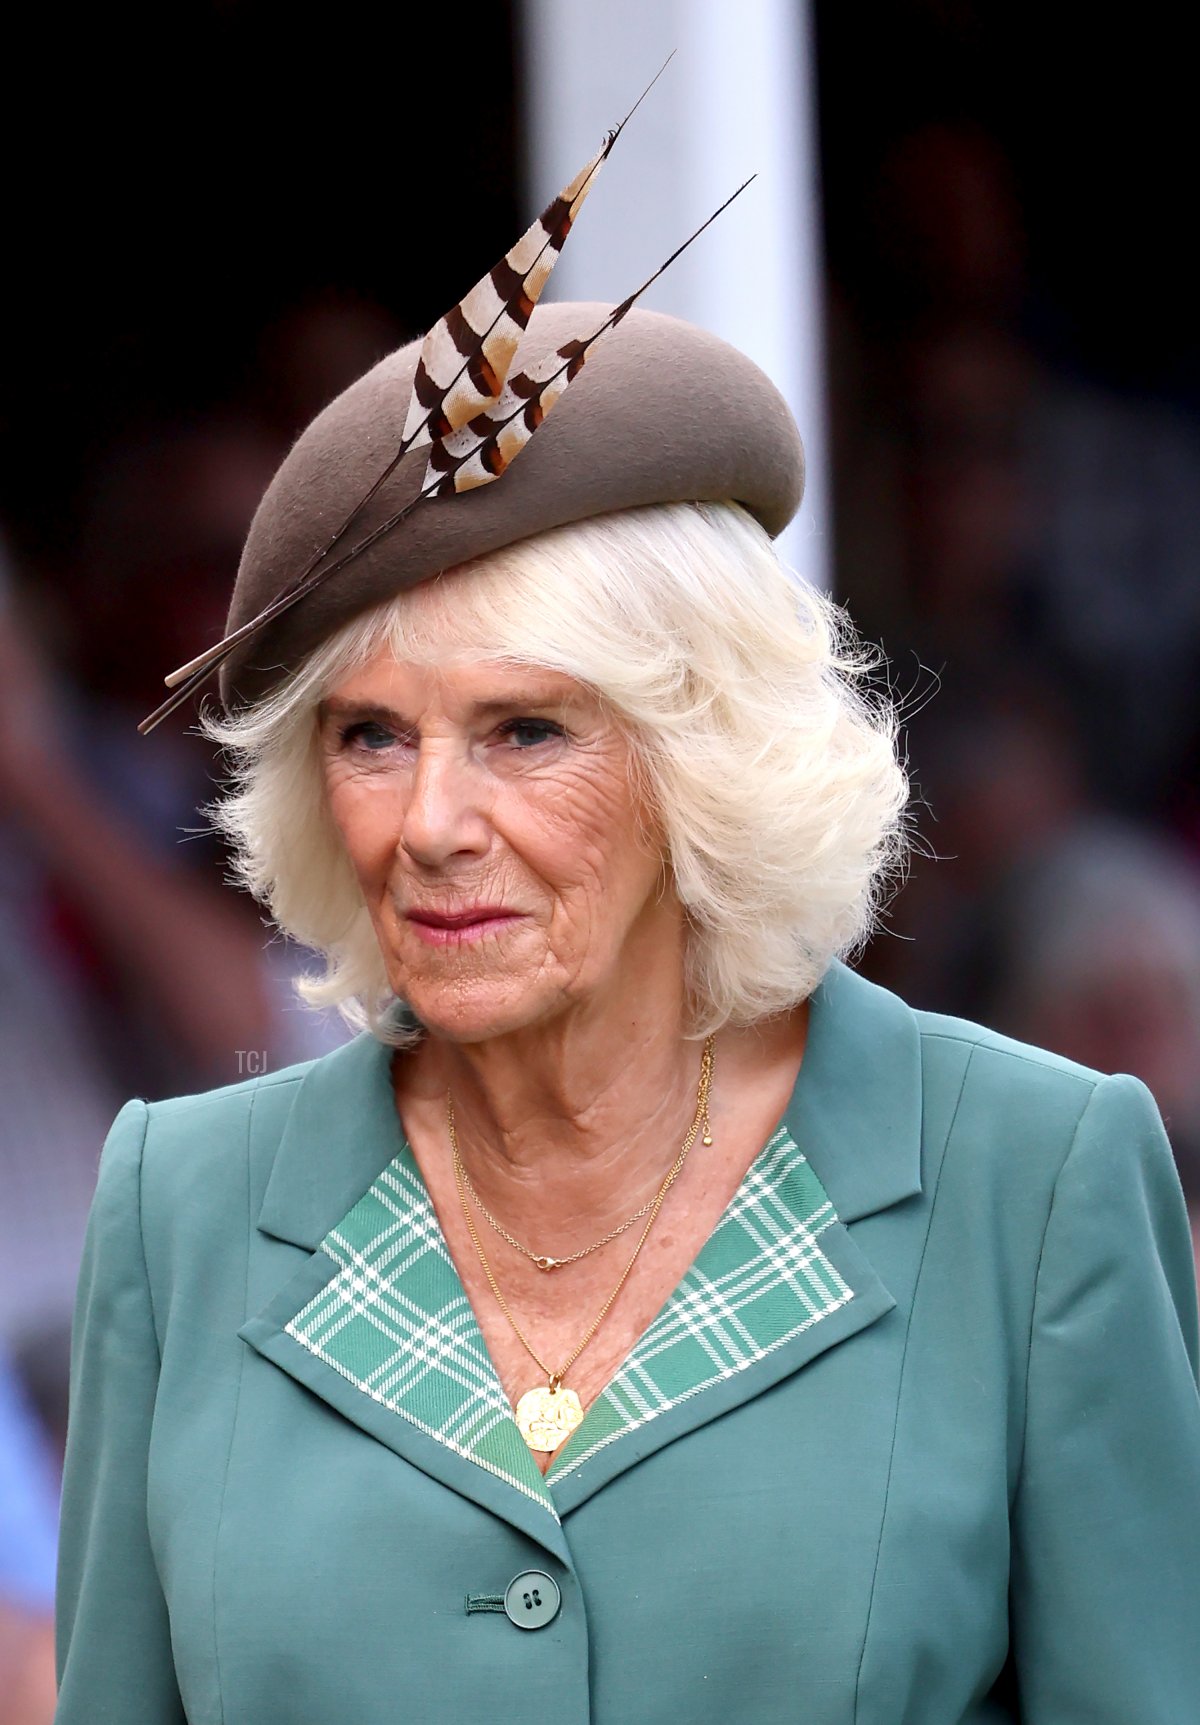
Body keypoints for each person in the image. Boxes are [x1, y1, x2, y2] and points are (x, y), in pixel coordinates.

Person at [53, 281, 1200, 1719]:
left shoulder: (1031, 1186)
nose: (430, 822)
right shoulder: (180, 1210)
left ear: (701, 751)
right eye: (369, 736)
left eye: (525, 728)